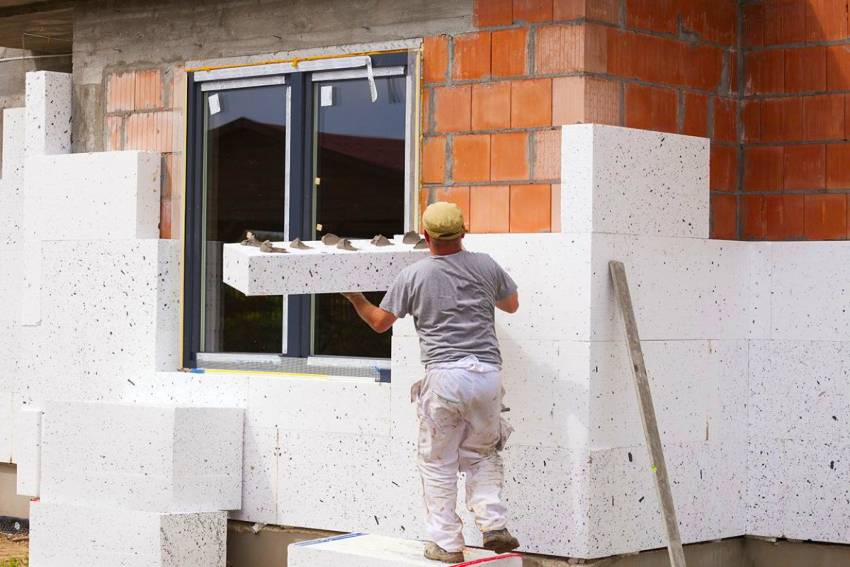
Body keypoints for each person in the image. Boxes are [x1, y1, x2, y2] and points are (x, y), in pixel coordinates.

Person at [342, 201, 521, 563]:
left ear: (425, 236)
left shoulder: (414, 275)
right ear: (464, 232)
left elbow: (379, 323)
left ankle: (447, 544)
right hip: (487, 375)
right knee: (483, 453)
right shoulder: (486, 264)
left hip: (445, 379)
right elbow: (512, 304)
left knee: (438, 461)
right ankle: (493, 524)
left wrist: (356, 298)